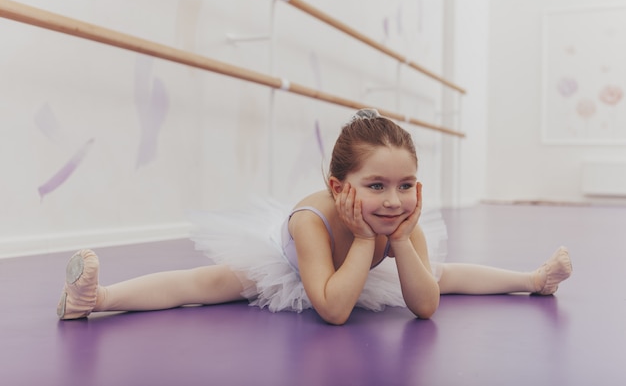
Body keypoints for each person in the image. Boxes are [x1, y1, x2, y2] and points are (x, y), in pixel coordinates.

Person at [57, 109, 572, 325]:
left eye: (405, 185)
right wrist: (369, 241)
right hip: (298, 264)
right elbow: (332, 308)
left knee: (445, 271)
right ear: (338, 187)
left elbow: (426, 304)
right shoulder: (311, 219)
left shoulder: (402, 214)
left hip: (350, 273)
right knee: (208, 282)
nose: (393, 201)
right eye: (375, 186)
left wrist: (403, 242)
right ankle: (94, 299)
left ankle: (533, 279)